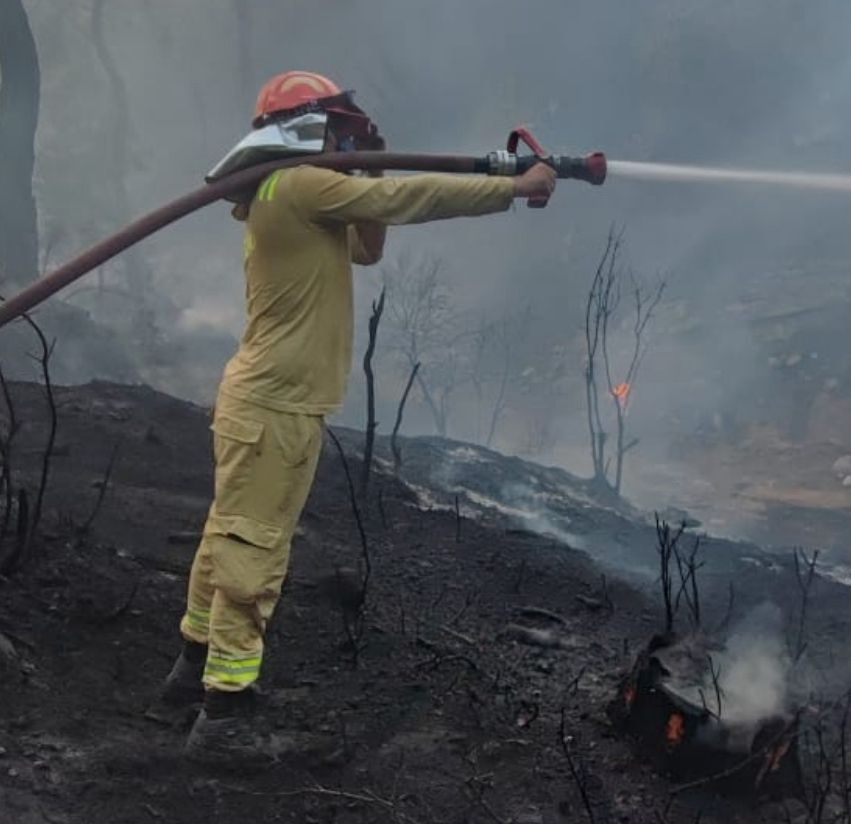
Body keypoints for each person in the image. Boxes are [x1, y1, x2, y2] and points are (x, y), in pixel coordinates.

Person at [145, 70, 556, 763]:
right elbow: (408, 198)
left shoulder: (291, 192)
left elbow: (368, 243)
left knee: (229, 536)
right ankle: (224, 715)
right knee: (253, 547)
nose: (345, 137)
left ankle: (188, 680)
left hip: (272, 398)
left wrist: (365, 171)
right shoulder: (299, 185)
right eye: (337, 128)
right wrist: (514, 188)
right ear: (306, 126)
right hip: (275, 402)